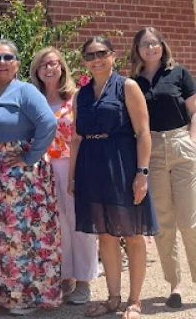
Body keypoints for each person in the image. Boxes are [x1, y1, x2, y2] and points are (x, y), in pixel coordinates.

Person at [70, 37, 157, 319]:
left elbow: (143, 133)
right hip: (90, 166)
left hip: (122, 163)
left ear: (113, 55)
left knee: (132, 235)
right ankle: (113, 298)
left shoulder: (127, 86)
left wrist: (142, 174)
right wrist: (72, 177)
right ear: (83, 60)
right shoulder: (80, 94)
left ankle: (135, 301)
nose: (96, 59)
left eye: (101, 53)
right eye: (90, 55)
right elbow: (75, 138)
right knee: (105, 235)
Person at [0, 39, 60, 316]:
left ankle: (23, 297)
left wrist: (29, 156)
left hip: (19, 175)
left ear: (17, 63)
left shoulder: (24, 91)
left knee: (20, 235)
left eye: (8, 57)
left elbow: (49, 123)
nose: (2, 62)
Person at [130, 27, 196, 310]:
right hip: (152, 150)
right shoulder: (133, 82)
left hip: (181, 144)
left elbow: (195, 110)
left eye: (154, 43)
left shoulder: (179, 74)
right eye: (144, 44)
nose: (150, 48)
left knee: (190, 222)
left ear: (162, 45)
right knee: (164, 224)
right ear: (137, 50)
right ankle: (175, 285)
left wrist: (192, 141)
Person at [30, 47, 98, 305]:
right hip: (42, 170)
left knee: (80, 224)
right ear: (37, 70)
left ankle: (84, 281)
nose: (49, 68)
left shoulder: (76, 98)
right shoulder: (33, 98)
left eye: (54, 64)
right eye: (43, 64)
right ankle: (63, 277)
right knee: (54, 227)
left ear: (62, 68)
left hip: (73, 165)